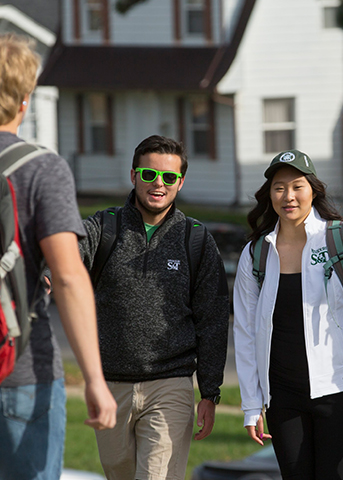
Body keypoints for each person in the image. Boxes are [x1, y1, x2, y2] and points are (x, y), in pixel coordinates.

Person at [0, 33, 117, 479]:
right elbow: (68, 277)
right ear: (25, 99)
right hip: (20, 367)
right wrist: (94, 379)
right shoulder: (40, 168)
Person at [233, 149, 343, 480]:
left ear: (314, 191)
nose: (288, 196)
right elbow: (246, 332)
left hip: (342, 390)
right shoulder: (256, 253)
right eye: (279, 188)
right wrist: (251, 404)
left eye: (297, 186)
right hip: (283, 396)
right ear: (269, 195)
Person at [78, 135, 229, 480]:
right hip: (110, 384)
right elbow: (68, 256)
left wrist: (210, 391)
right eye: (149, 175)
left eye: (169, 177)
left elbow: (214, 318)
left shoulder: (195, 239)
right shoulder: (105, 227)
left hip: (170, 384)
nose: (158, 183)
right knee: (120, 473)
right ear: (133, 176)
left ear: (180, 182)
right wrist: (47, 274)